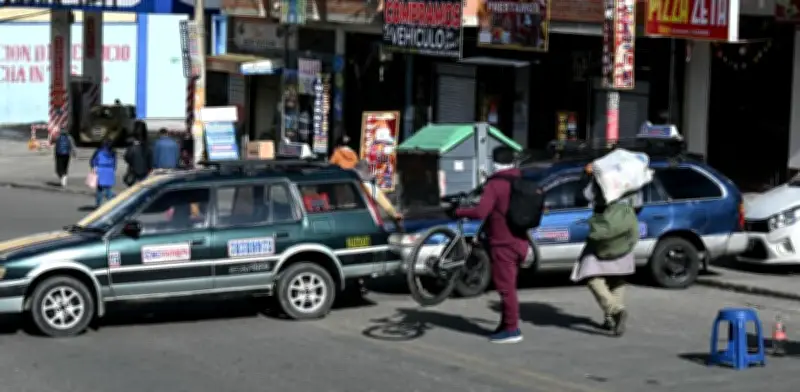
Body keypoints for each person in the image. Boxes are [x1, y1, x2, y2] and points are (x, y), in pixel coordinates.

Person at [453, 146, 529, 344]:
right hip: (520, 240)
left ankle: (512, 329)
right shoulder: (520, 178)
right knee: (508, 284)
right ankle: (505, 325)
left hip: (503, 243)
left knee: (506, 288)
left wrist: (459, 212)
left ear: (494, 163)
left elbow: (481, 212)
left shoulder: (496, 184)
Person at [570, 163, 639, 337]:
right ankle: (611, 319)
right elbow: (639, 204)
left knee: (591, 275)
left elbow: (583, 197)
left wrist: (586, 177)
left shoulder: (600, 180)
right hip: (624, 234)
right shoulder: (630, 183)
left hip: (603, 234)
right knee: (617, 277)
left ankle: (615, 310)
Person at [90, 139, 117, 207]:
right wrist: (113, 169)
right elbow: (115, 163)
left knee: (100, 189)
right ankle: (111, 203)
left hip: (100, 169)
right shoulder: (113, 152)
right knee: (108, 188)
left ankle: (98, 204)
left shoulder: (99, 151)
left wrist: (94, 166)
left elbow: (93, 160)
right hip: (109, 170)